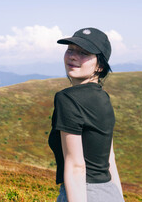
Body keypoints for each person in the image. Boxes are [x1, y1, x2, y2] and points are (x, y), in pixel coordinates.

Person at [48, 27, 124, 202]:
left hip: (82, 193)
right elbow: (109, 159)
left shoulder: (66, 98)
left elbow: (76, 167)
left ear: (100, 65)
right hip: (110, 193)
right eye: (70, 50)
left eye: (83, 52)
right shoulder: (103, 98)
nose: (73, 56)